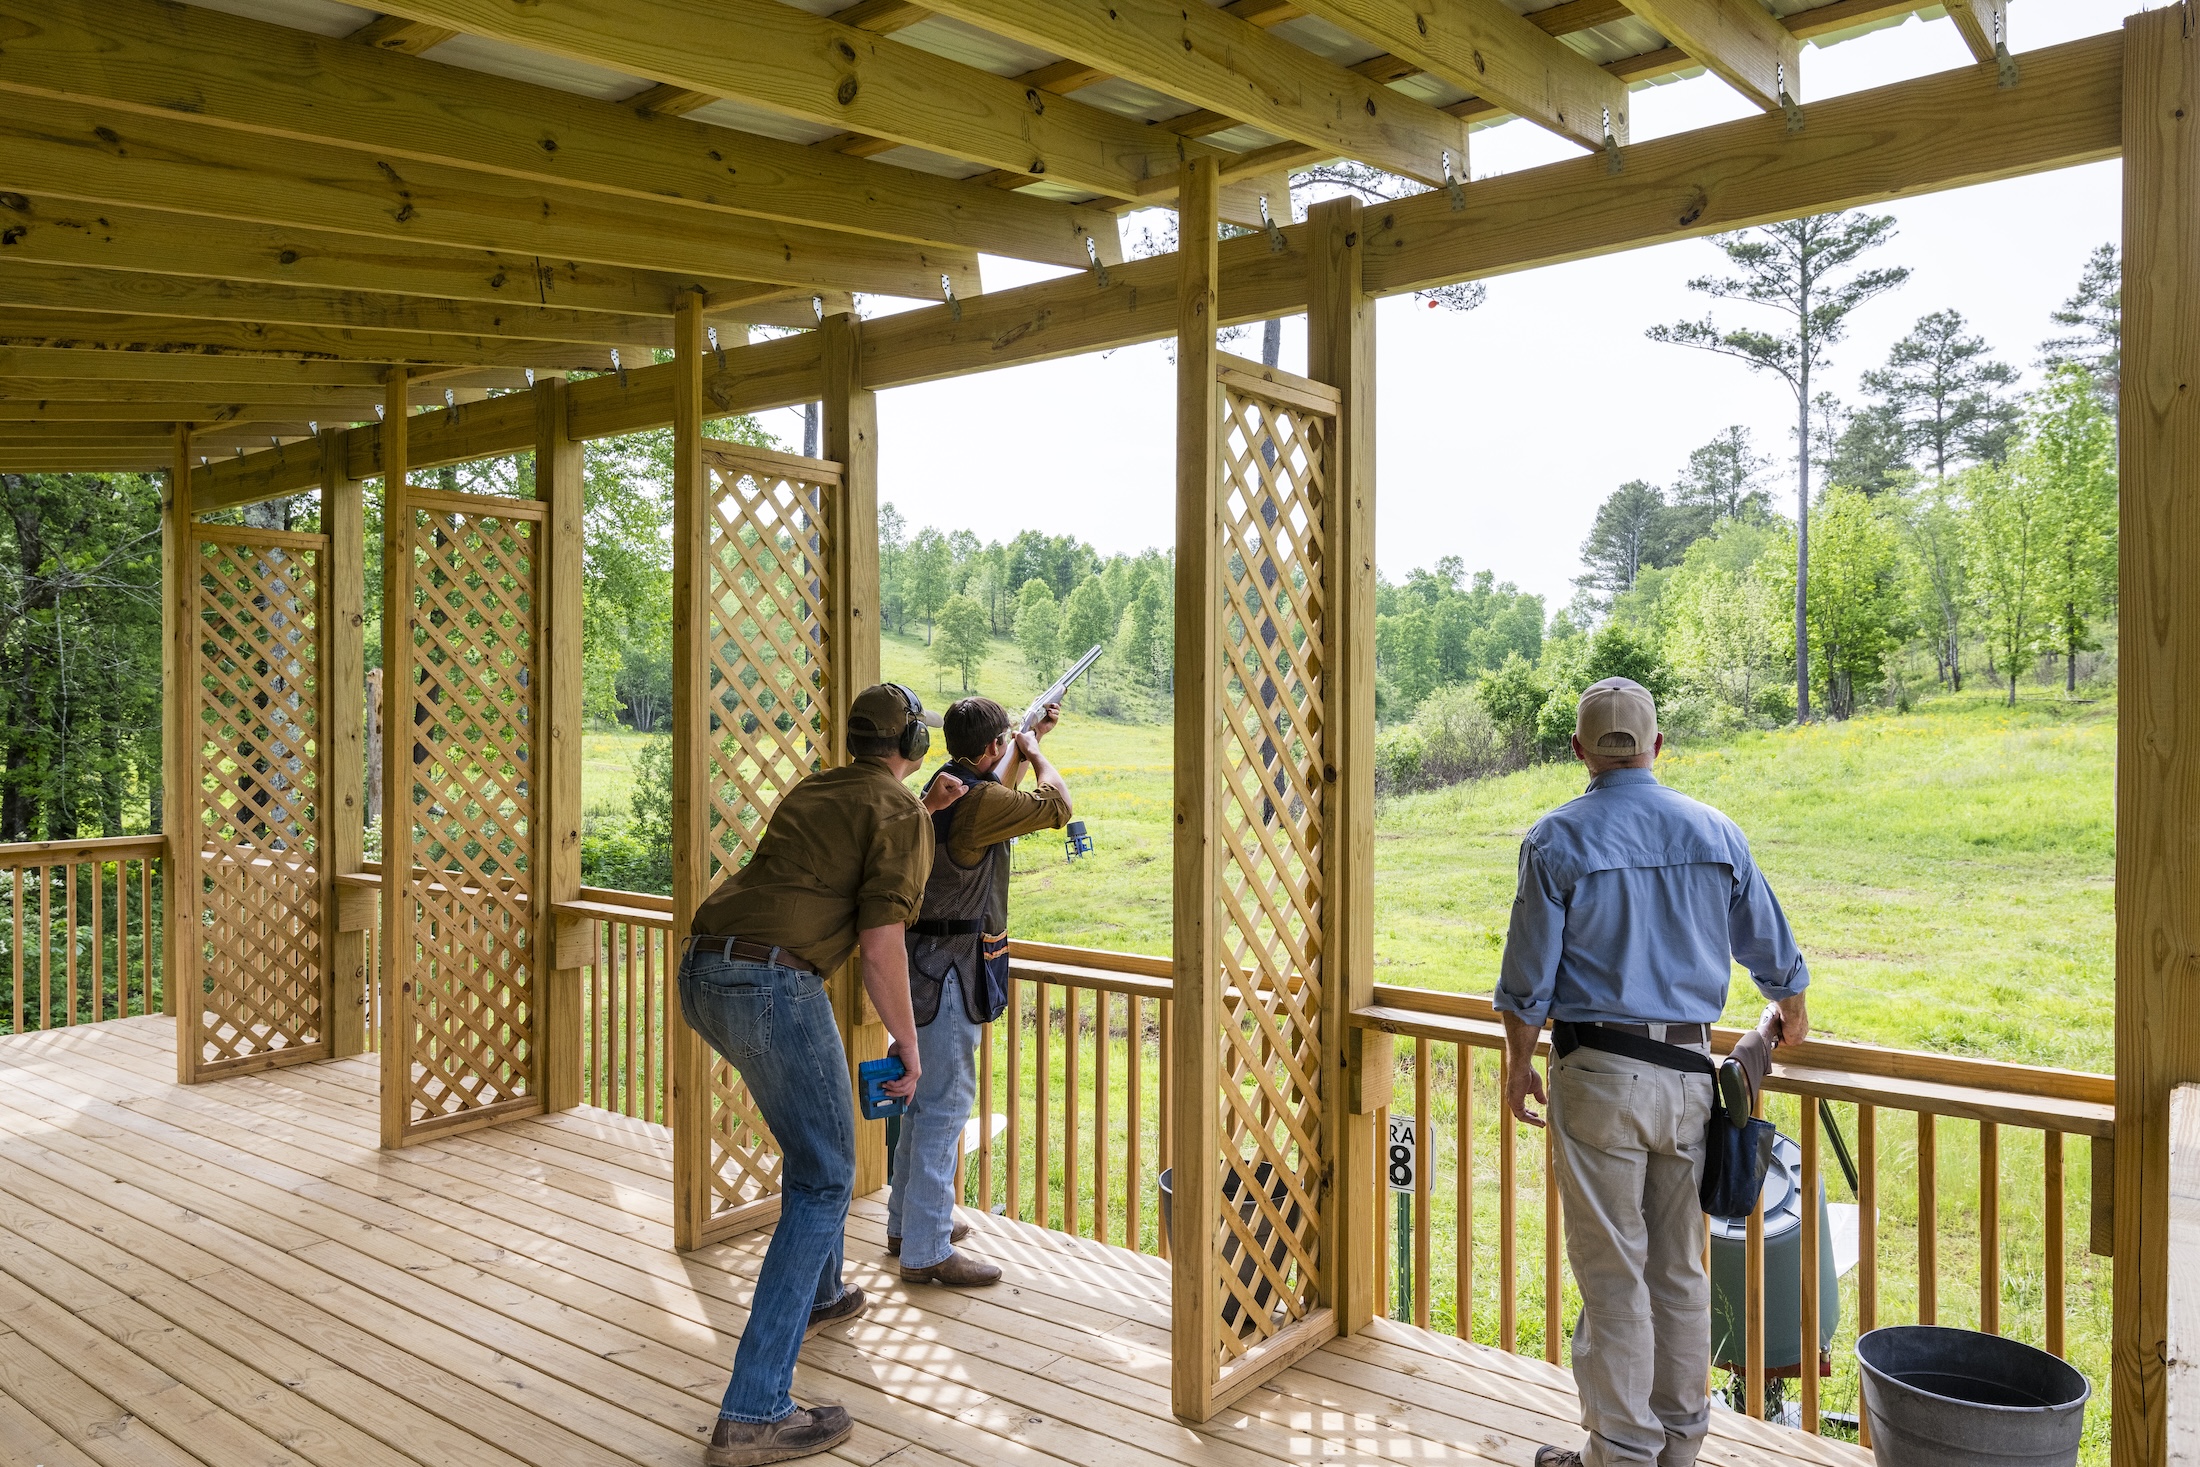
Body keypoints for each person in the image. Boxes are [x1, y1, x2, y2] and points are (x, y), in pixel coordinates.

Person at [1496, 677, 1811, 1467]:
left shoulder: (1555, 840)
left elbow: (1528, 983)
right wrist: (1788, 1010)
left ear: (1578, 752)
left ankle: (1622, 1455)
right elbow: (1775, 956)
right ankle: (1679, 1446)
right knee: (1678, 1268)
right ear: (1657, 746)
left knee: (1614, 1273)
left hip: (1598, 1075)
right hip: (1690, 1079)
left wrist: (1517, 1065)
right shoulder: (1716, 832)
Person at [678, 683, 969, 1467]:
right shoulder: (899, 811)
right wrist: (911, 1044)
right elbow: (880, 946)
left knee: (815, 1157)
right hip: (775, 981)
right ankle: (754, 1411)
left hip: (704, 969)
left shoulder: (820, 787)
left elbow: (841, 855)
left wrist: (923, 815)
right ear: (911, 738)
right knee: (825, 1178)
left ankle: (822, 1294)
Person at [887, 695, 1072, 1285]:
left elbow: (996, 799)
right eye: (1005, 746)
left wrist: (1018, 743)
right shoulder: (980, 797)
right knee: (945, 1108)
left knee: (922, 1104)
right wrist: (1037, 749)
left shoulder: (947, 788)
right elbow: (1058, 805)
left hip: (918, 965)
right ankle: (927, 1251)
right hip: (950, 973)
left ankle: (910, 1224)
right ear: (992, 747)